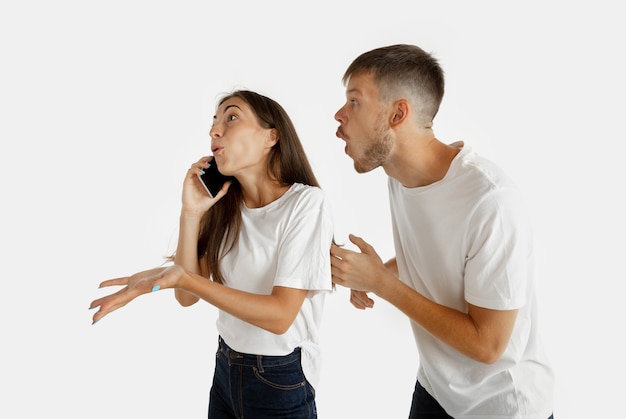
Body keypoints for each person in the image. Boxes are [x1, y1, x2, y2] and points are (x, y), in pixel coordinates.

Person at [329, 44, 554, 418]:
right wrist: (374, 274)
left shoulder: (491, 202)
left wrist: (383, 285)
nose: (338, 116)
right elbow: (441, 254)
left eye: (354, 102)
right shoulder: (400, 176)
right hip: (436, 391)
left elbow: (488, 345)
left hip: (501, 407)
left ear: (398, 113)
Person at [90, 90, 334, 419]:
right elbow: (186, 296)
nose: (214, 131)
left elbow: (280, 316)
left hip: (278, 378)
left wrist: (185, 279)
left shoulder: (305, 204)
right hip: (226, 367)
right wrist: (190, 213)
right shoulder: (227, 206)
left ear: (271, 136)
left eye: (230, 118)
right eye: (214, 123)